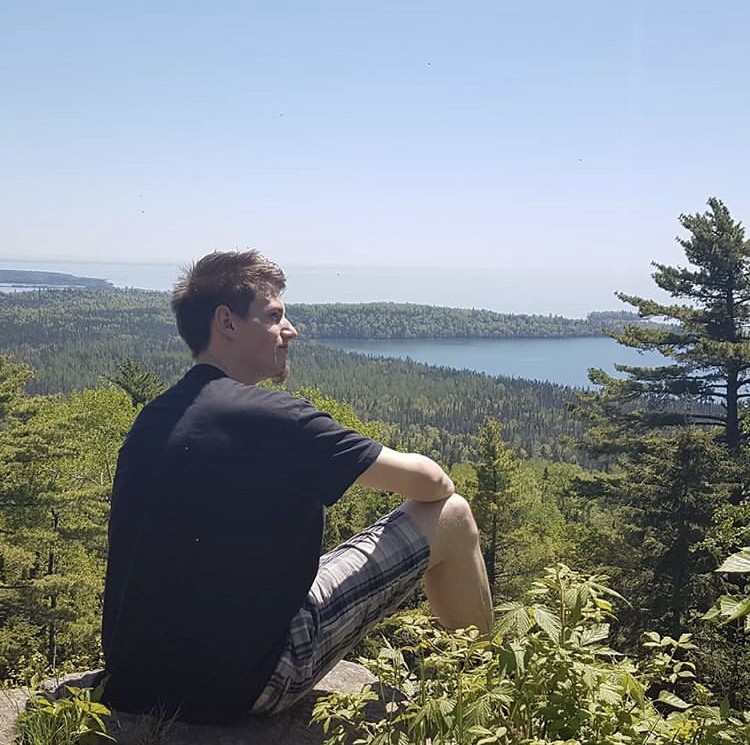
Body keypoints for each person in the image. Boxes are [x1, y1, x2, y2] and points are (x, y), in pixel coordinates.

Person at [102, 250, 493, 724]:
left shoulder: (154, 417)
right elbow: (432, 483)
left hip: (134, 682)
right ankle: (483, 693)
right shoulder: (275, 417)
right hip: (246, 684)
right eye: (274, 316)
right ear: (226, 321)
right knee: (452, 514)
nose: (291, 330)